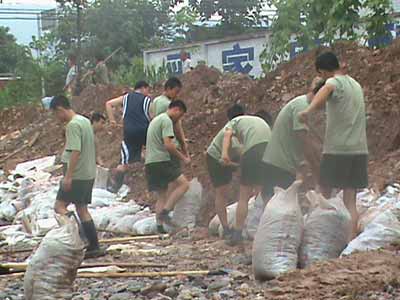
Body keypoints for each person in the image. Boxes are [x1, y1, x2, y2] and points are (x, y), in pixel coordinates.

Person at [299, 52, 368, 238]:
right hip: (359, 149)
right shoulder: (355, 84)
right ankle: (350, 241)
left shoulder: (333, 82)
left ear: (322, 71)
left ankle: (323, 236)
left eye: (320, 74)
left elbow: (327, 89)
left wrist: (308, 110)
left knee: (325, 194)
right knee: (350, 201)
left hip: (338, 149)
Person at [50, 95, 104, 258]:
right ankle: (93, 245)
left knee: (59, 206)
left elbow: (75, 150)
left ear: (60, 109)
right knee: (82, 209)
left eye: (55, 114)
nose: (56, 118)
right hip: (87, 173)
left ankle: (79, 239)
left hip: (77, 174)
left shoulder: (73, 125)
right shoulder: (84, 121)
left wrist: (68, 176)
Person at [261, 77, 325, 200]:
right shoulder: (301, 106)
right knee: (280, 206)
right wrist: (317, 172)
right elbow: (304, 142)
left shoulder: (302, 105)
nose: (324, 107)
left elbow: (311, 141)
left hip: (280, 164)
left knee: (279, 206)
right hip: (279, 166)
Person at [222, 111, 272, 245]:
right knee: (265, 195)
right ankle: (269, 230)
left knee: (244, 196)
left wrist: (225, 154)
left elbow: (227, 135)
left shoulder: (235, 121)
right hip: (269, 151)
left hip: (253, 152)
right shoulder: (261, 124)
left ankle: (237, 234)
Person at [145, 100, 191, 233]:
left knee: (161, 195)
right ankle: (165, 212)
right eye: (180, 115)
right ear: (176, 109)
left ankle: (159, 227)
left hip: (151, 162)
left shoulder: (156, 120)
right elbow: (169, 145)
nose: (179, 119)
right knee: (184, 184)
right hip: (162, 160)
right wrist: (184, 158)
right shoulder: (166, 120)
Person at [206, 104, 245, 239]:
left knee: (227, 191)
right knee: (222, 192)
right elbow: (241, 152)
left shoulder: (237, 129)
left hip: (228, 158)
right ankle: (225, 227)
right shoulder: (231, 132)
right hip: (216, 159)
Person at [105, 81, 152, 192]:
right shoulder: (147, 100)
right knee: (151, 154)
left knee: (124, 163)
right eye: (148, 90)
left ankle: (114, 186)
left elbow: (108, 104)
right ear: (143, 88)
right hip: (145, 131)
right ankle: (150, 182)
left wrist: (112, 121)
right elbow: (152, 116)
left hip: (129, 133)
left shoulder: (126, 98)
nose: (148, 92)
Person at [150, 77, 188, 156]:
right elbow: (177, 127)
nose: (177, 95)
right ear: (168, 89)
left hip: (157, 145)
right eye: (176, 92)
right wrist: (183, 144)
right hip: (169, 145)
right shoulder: (168, 105)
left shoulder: (156, 100)